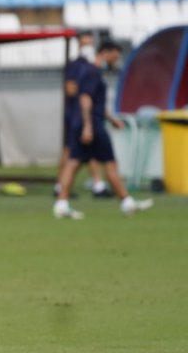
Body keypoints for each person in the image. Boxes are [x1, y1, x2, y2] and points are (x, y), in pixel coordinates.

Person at [53, 41, 153, 219]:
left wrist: (111, 119)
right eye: (116, 56)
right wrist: (88, 126)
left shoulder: (91, 72)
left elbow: (94, 102)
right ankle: (127, 202)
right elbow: (85, 99)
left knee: (74, 162)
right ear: (106, 52)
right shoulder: (92, 72)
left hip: (86, 123)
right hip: (92, 125)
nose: (116, 60)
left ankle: (61, 204)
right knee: (109, 163)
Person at [55, 32, 108, 198]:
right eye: (85, 43)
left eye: (90, 43)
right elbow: (72, 90)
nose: (88, 47)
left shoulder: (93, 66)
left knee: (88, 152)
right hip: (76, 116)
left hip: (88, 115)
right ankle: (61, 187)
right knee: (71, 152)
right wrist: (86, 88)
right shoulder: (75, 66)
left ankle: (97, 184)